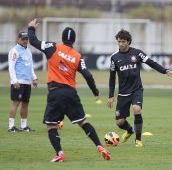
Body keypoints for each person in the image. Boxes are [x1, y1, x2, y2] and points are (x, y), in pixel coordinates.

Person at [27, 19, 110, 162]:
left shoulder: (52, 47)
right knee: (83, 122)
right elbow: (88, 75)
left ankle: (59, 153)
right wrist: (95, 92)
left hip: (55, 91)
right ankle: (99, 146)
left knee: (51, 125)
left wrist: (31, 28)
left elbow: (33, 41)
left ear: (62, 38)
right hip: (71, 93)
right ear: (74, 40)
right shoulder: (77, 56)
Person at [107, 29, 172, 147]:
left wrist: (165, 71)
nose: (120, 44)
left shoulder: (137, 53)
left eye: (123, 41)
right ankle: (130, 130)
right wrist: (110, 95)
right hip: (123, 93)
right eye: (119, 41)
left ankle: (138, 140)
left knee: (137, 109)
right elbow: (112, 78)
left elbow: (151, 63)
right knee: (120, 122)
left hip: (136, 89)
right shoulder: (114, 57)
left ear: (129, 41)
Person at [8, 31, 38, 132]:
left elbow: (30, 66)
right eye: (23, 39)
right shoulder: (14, 51)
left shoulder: (28, 50)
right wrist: (14, 80)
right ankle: (11, 126)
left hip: (27, 82)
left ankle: (23, 126)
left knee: (25, 103)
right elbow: (11, 67)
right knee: (15, 103)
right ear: (18, 39)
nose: (25, 41)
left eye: (26, 39)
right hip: (18, 82)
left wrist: (34, 78)